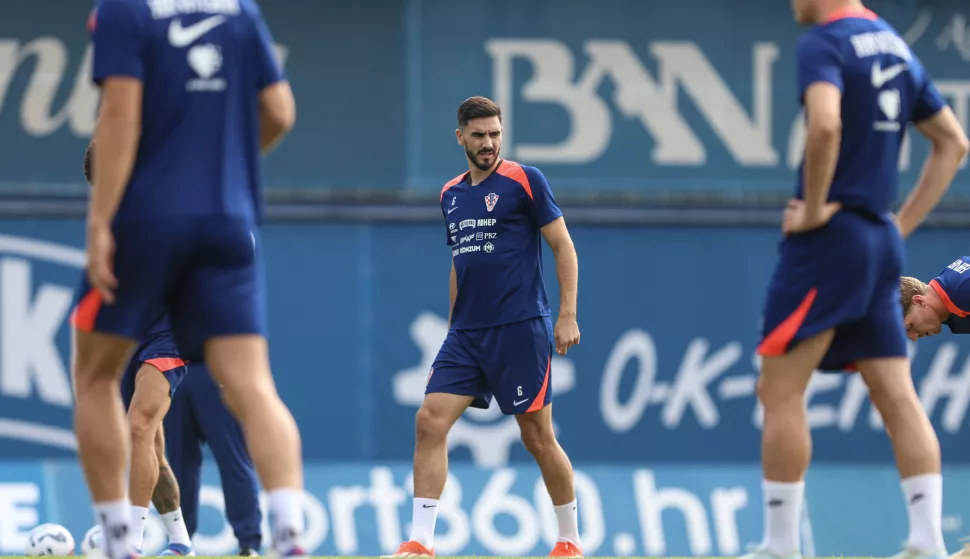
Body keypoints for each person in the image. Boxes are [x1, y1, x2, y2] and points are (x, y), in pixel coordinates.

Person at [72, 2, 304, 558]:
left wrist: (103, 219)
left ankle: (120, 540)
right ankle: (291, 536)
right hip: (224, 218)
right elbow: (279, 110)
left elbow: (120, 115)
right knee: (254, 386)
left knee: (94, 378)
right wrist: (226, 177)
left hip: (148, 223)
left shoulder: (125, 10)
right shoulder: (240, 10)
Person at [747, 0, 970, 558]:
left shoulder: (825, 42)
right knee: (897, 395)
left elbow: (825, 123)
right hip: (879, 242)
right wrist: (899, 228)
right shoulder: (895, 44)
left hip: (831, 239)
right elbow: (954, 144)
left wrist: (818, 208)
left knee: (779, 389)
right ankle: (928, 542)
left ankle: (780, 547)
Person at [386, 96, 582, 559]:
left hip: (519, 328)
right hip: (467, 335)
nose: (489, 143)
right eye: (479, 135)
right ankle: (421, 542)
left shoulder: (524, 180)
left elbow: (562, 245)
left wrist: (568, 312)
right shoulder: (450, 194)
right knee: (429, 421)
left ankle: (569, 540)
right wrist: (454, 327)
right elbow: (460, 263)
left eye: (495, 133)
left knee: (537, 436)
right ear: (461, 138)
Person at [82, 142, 196, 557]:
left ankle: (129, 543)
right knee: (152, 448)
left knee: (137, 426)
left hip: (169, 333)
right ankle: (181, 542)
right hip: (129, 336)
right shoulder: (106, 221)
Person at [164, 362, 263, 557]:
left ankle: (248, 544)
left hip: (213, 368)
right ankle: (181, 543)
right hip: (171, 369)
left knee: (233, 461)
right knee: (179, 466)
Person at [900, 260, 970, 340]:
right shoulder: (952, 286)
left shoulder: (965, 288)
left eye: (909, 326)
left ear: (919, 301)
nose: (913, 338)